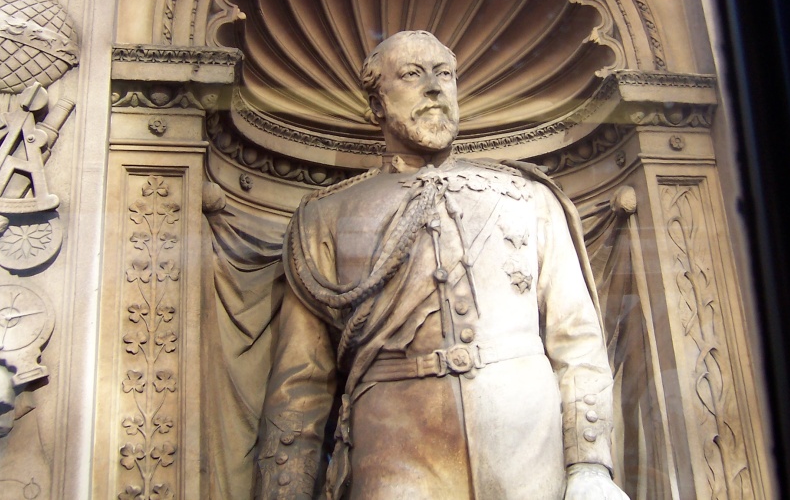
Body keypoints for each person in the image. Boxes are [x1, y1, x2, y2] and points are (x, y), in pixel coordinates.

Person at [255, 31, 628, 500]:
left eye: (444, 74)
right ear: (377, 105)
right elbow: (300, 383)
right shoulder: (325, 218)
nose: (434, 88)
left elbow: (577, 341)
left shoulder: (528, 197)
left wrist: (590, 466)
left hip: (528, 449)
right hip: (395, 450)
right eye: (413, 75)